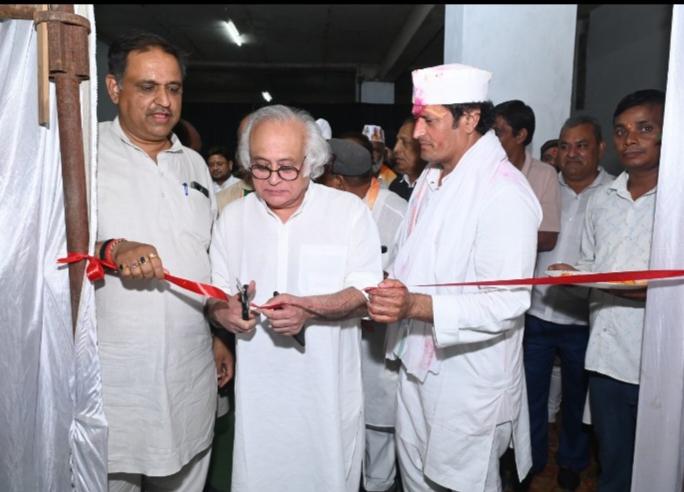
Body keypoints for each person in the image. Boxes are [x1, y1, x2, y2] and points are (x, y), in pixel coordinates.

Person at [367, 63, 541, 492]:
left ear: (470, 119)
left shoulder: (504, 192)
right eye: (418, 118)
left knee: (460, 484)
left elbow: (506, 302)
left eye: (430, 120)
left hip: (467, 380)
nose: (417, 131)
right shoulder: (431, 177)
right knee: (418, 482)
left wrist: (414, 306)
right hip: (417, 365)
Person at [208, 104, 383, 492]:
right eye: (260, 166)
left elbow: (366, 294)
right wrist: (226, 313)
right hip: (260, 404)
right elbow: (214, 298)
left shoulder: (348, 213)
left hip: (327, 399)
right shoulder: (233, 218)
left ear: (313, 163)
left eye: (287, 167)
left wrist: (310, 308)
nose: (273, 180)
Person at [96, 31, 232, 491]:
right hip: (113, 377)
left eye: (173, 88)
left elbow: (205, 257)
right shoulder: (83, 154)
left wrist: (215, 333)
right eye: (147, 87)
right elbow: (46, 245)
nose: (163, 101)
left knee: (188, 465)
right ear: (114, 88)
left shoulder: (194, 164)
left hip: (188, 371)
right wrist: (111, 248)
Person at [550, 89, 665, 492]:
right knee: (614, 466)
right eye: (621, 131)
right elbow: (594, 267)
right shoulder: (601, 200)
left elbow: (670, 287)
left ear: (667, 135)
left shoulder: (676, 201)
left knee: (662, 470)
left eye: (644, 129)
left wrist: (589, 279)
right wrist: (569, 274)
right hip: (606, 359)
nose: (630, 140)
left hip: (664, 362)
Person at [522, 115, 613, 491]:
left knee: (577, 398)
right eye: (565, 145)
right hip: (537, 311)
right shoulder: (543, 187)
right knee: (529, 395)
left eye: (582, 145)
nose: (571, 153)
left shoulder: (613, 193)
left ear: (600, 149)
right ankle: (531, 459)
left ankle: (573, 460)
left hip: (584, 318)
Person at [320, 138, 407, 492]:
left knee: (378, 439)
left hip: (377, 348)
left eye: (322, 178)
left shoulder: (396, 213)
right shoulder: (327, 212)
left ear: (337, 181)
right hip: (336, 343)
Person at [494, 100, 561, 252]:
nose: (491, 139)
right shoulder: (481, 170)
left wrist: (494, 237)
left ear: (520, 136)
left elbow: (548, 238)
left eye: (498, 133)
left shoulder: (545, 175)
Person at [389, 117, 428, 201]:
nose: (396, 149)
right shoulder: (395, 186)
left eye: (405, 142)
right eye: (397, 141)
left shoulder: (433, 189)